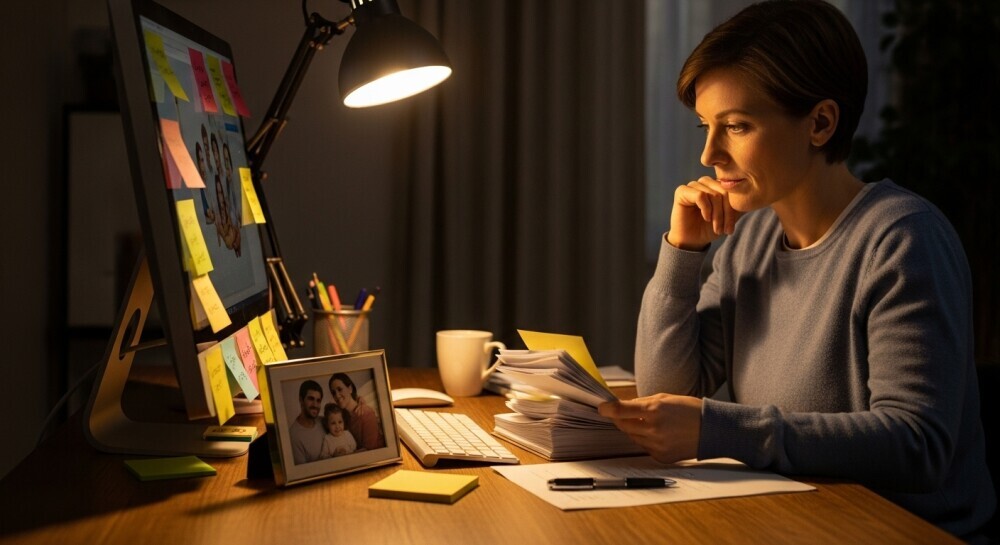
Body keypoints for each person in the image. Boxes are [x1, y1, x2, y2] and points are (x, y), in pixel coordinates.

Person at [597, 0, 996, 539]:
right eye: (705, 128)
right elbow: (667, 387)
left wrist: (722, 430)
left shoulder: (904, 239)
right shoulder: (751, 239)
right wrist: (682, 252)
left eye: (736, 126)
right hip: (792, 524)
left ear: (821, 123)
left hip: (902, 532)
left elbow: (916, 445)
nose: (709, 154)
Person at [329, 373, 385, 451]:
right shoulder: (342, 417)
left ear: (350, 389)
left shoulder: (365, 413)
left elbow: (369, 449)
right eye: (333, 393)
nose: (337, 396)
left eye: (339, 389)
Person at [289, 380, 325, 464]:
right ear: (301, 400)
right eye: (311, 399)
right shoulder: (294, 436)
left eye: (318, 400)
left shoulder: (323, 421)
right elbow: (302, 473)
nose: (315, 405)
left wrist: (360, 401)